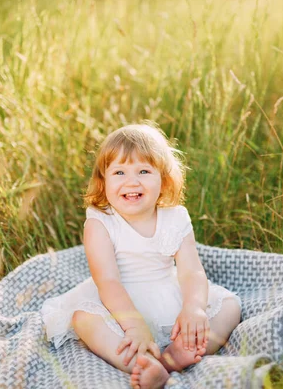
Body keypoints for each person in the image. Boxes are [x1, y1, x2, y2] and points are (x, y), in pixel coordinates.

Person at [41, 123, 242, 389]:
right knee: (83, 320)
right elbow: (108, 282)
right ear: (104, 181)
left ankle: (170, 359)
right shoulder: (99, 222)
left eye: (144, 171)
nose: (131, 181)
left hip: (167, 294)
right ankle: (142, 365)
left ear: (164, 179)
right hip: (118, 305)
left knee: (230, 307)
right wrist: (134, 326)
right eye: (119, 172)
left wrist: (193, 307)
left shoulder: (175, 217)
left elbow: (191, 271)